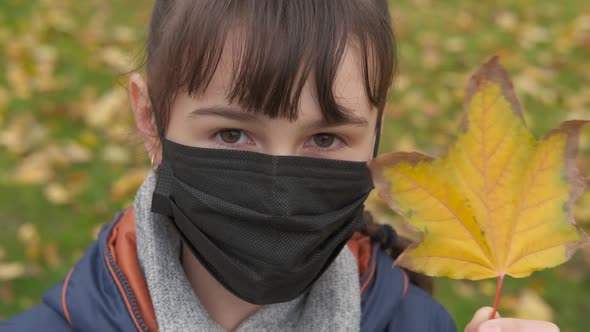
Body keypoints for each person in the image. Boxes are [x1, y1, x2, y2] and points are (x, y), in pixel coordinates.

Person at [1, 1, 561, 331]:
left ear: (377, 127)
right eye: (231, 133)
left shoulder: (414, 322)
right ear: (149, 118)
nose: (282, 190)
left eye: (325, 137)